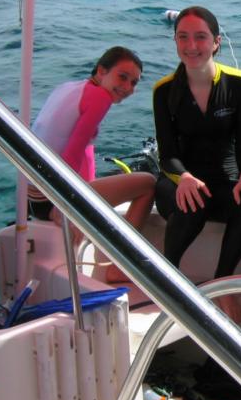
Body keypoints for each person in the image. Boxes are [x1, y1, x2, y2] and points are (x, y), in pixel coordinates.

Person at [153, 6, 241, 319]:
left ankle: (221, 281)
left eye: (200, 37)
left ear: (216, 42)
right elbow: (167, 156)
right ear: (175, 41)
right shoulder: (163, 91)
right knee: (193, 200)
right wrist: (184, 177)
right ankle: (168, 274)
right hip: (179, 183)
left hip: (224, 182)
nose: (191, 46)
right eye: (183, 37)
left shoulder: (240, 84)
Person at [27, 46, 155, 283]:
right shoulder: (100, 98)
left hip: (32, 197)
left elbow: (74, 145)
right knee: (148, 183)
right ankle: (118, 265)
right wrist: (64, 205)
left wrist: (86, 188)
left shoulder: (69, 88)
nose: (127, 87)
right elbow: (73, 151)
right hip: (50, 198)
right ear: (102, 70)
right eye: (122, 77)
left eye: (134, 83)